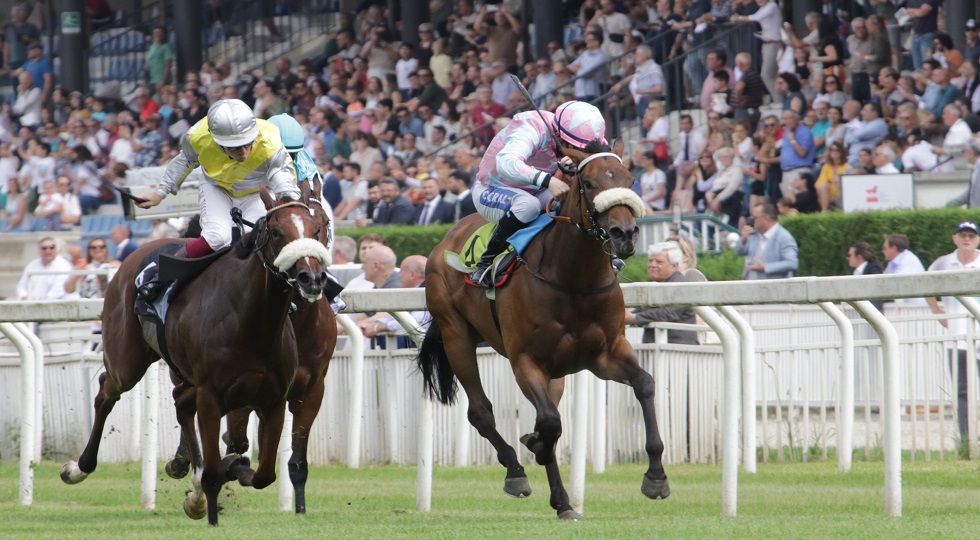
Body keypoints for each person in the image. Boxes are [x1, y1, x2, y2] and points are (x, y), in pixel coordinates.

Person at [469, 100, 606, 288]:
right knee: (528, 206)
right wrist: (548, 180)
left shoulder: (576, 136)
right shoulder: (531, 128)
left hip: (534, 190)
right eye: (577, 148)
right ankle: (485, 262)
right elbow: (506, 163)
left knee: (571, 201)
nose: (580, 153)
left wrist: (569, 171)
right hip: (491, 189)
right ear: (560, 135)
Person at [924, 221, 980, 444]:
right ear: (954, 238)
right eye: (962, 235)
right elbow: (924, 283)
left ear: (977, 240)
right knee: (962, 392)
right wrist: (937, 310)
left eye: (971, 235)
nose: (966, 238)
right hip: (956, 339)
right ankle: (967, 438)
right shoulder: (944, 262)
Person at [624, 242, 698, 345]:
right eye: (650, 261)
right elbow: (644, 309)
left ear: (674, 266)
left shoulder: (681, 284)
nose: (652, 265)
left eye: (659, 262)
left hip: (679, 352)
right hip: (659, 349)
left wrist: (634, 318)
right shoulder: (656, 285)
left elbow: (669, 313)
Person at [735, 202, 799, 280]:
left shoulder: (784, 237)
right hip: (749, 285)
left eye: (755, 217)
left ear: (765, 218)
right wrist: (743, 240)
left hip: (772, 287)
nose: (752, 220)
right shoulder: (754, 233)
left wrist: (765, 267)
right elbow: (739, 252)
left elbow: (792, 263)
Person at [947, 139, 980, 208]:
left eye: (964, 151)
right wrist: (952, 204)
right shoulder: (976, 167)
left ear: (971, 153)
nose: (964, 154)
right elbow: (970, 192)